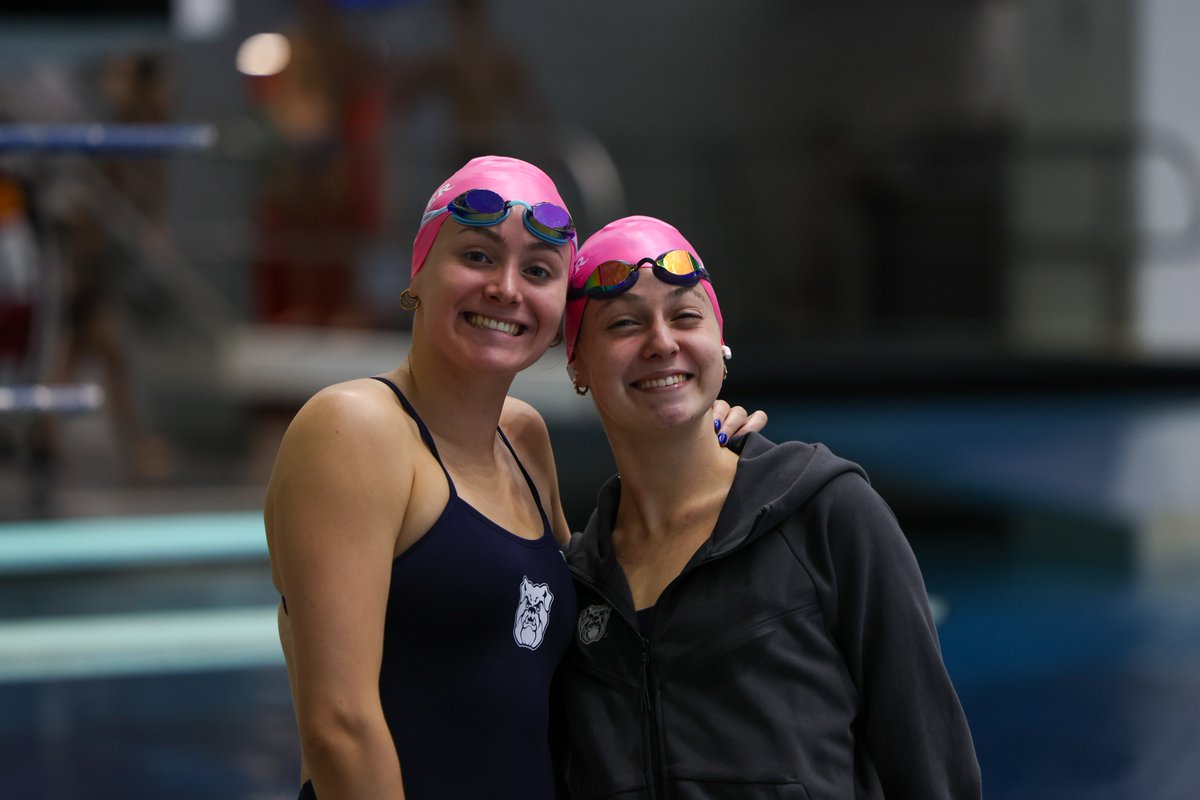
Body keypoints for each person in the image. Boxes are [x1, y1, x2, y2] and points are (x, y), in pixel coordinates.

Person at [264, 158, 761, 799]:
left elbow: (601, 602)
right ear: (419, 272)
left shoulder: (523, 439)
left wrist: (699, 442)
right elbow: (340, 728)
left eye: (537, 271)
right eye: (477, 255)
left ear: (558, 317)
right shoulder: (355, 430)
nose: (506, 289)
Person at [555, 216, 981, 799]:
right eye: (625, 323)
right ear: (576, 364)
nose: (661, 342)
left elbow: (934, 771)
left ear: (719, 347)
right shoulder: (577, 581)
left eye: (685, 316)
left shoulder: (827, 515)